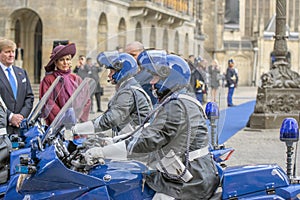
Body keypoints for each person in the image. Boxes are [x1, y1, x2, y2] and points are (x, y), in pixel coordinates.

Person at [82, 50, 219, 200]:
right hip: (182, 171)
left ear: (169, 78)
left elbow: (149, 140)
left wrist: (103, 152)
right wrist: (113, 141)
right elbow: (149, 129)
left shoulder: (177, 105)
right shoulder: (177, 99)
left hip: (192, 179)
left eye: (156, 77)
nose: (152, 82)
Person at [73, 51, 152, 137]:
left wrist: (76, 129)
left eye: (111, 72)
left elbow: (112, 119)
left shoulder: (128, 91)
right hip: (131, 137)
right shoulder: (127, 86)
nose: (109, 75)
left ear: (121, 71)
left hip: (135, 142)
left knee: (95, 151)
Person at [39, 43, 91, 125]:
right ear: (55, 63)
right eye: (61, 60)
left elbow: (86, 100)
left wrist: (78, 117)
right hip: (57, 124)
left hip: (76, 125)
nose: (65, 62)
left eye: (68, 59)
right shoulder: (49, 79)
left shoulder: (76, 79)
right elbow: (48, 101)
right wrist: (62, 118)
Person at [0, 38, 34, 135]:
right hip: (3, 128)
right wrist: (10, 116)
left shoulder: (21, 72)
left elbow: (29, 97)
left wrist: (21, 116)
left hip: (20, 128)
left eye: (13, 52)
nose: (11, 55)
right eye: (7, 52)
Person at [125, 41, 157, 105]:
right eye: (127, 55)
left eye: (133, 55)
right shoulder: (126, 73)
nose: (129, 58)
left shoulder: (152, 72)